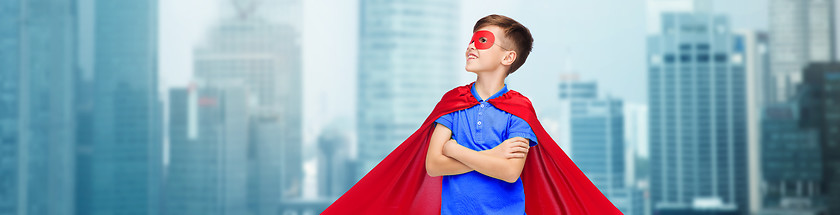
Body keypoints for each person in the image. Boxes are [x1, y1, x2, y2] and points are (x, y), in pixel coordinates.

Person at [323, 14, 622, 214]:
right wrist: (494, 153)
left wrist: (454, 148)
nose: (470, 46)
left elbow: (510, 171)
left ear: (507, 57)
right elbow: (434, 164)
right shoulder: (453, 101)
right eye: (471, 40)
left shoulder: (520, 109)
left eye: (482, 42)